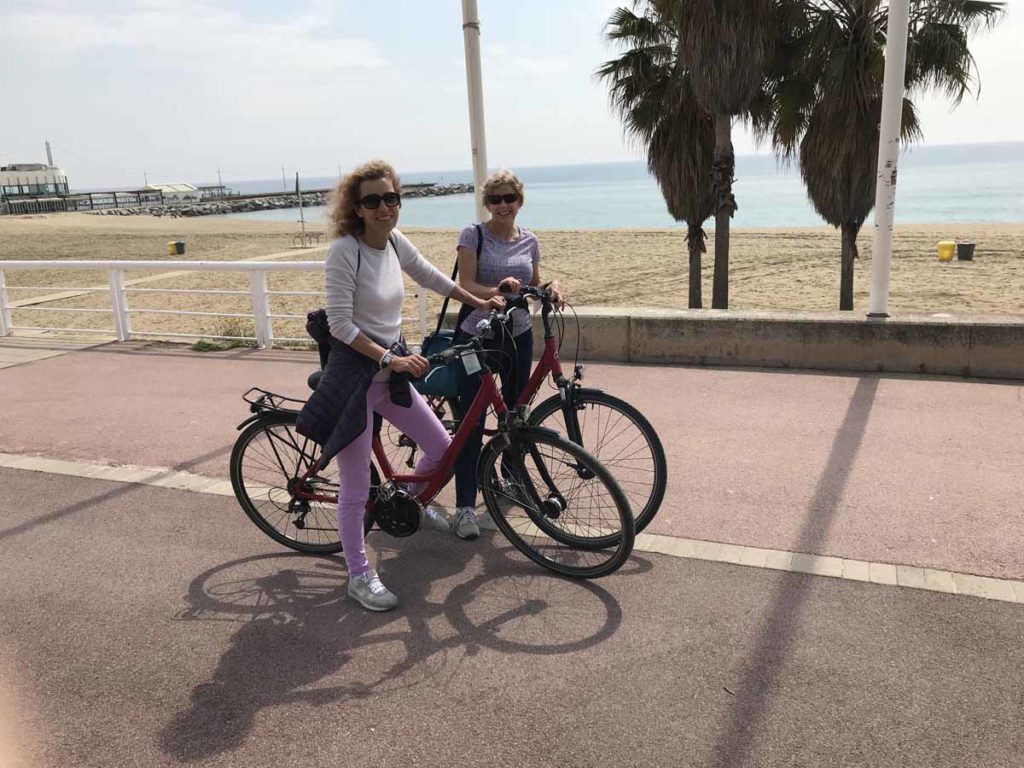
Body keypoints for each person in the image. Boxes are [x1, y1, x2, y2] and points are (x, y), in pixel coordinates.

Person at [296, 160, 504, 612]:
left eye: (391, 198)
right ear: (357, 207)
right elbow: (340, 326)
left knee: (441, 445)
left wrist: (481, 299)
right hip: (355, 376)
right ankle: (358, 574)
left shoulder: (393, 242)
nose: (385, 207)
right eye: (373, 200)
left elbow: (431, 276)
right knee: (353, 486)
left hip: (390, 371)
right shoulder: (345, 251)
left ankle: (405, 504)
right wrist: (391, 357)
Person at [451, 170, 564, 537]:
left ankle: (513, 479)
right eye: (495, 199)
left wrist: (551, 286)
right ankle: (465, 506)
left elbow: (532, 282)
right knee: (471, 421)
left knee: (517, 417)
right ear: (487, 203)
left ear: (519, 201)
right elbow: (464, 284)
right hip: (478, 337)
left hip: (517, 334)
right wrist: (495, 290)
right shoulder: (474, 235)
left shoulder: (529, 240)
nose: (503, 205)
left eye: (509, 198)